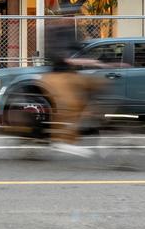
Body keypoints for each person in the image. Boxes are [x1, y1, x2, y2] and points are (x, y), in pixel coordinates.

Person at [38, 17, 104, 155]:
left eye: (71, 16)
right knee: (71, 104)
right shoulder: (52, 32)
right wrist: (70, 59)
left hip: (72, 73)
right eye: (65, 16)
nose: (68, 19)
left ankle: (90, 118)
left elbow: (82, 49)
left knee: (99, 84)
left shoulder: (73, 32)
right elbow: (54, 54)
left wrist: (97, 61)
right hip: (57, 74)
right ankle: (60, 140)